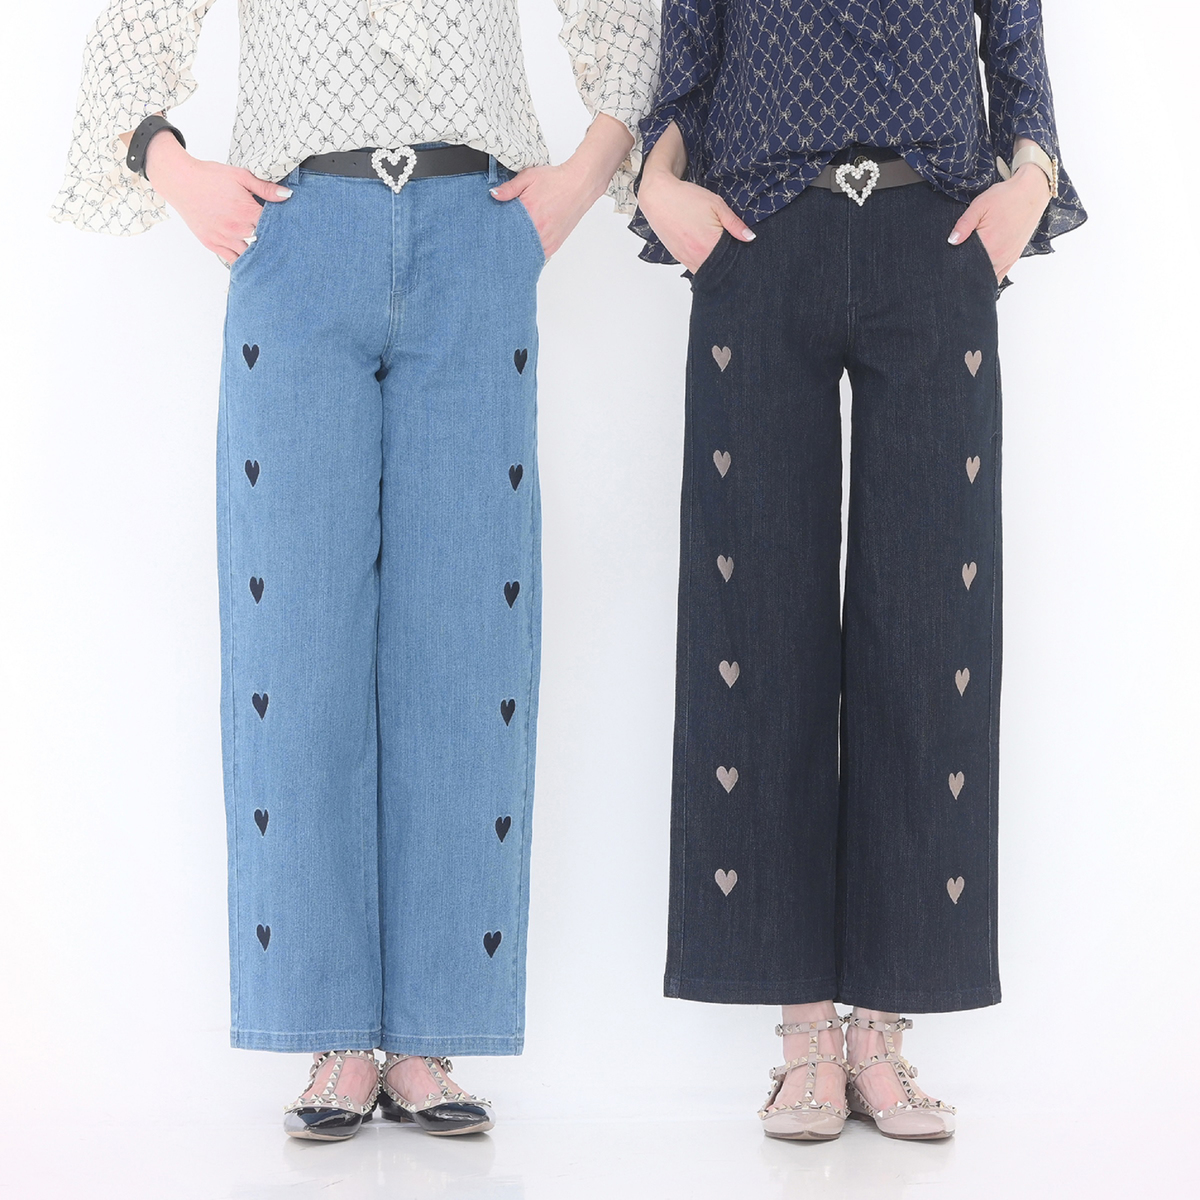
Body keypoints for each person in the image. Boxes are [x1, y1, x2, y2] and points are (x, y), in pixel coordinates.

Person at [54, 0, 658, 1140]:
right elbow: (137, 23)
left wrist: (584, 176)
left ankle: (430, 1037)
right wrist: (170, 165)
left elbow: (627, 19)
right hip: (296, 234)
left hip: (477, 226)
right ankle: (332, 1034)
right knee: (297, 635)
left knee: (466, 633)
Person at [632, 0, 1084, 1140]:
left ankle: (881, 1036)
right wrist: (658, 180)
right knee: (755, 627)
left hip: (937, 230)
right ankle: (803, 1042)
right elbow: (687, 56)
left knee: (930, 628)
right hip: (758, 230)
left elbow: (1016, 41)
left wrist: (1031, 179)